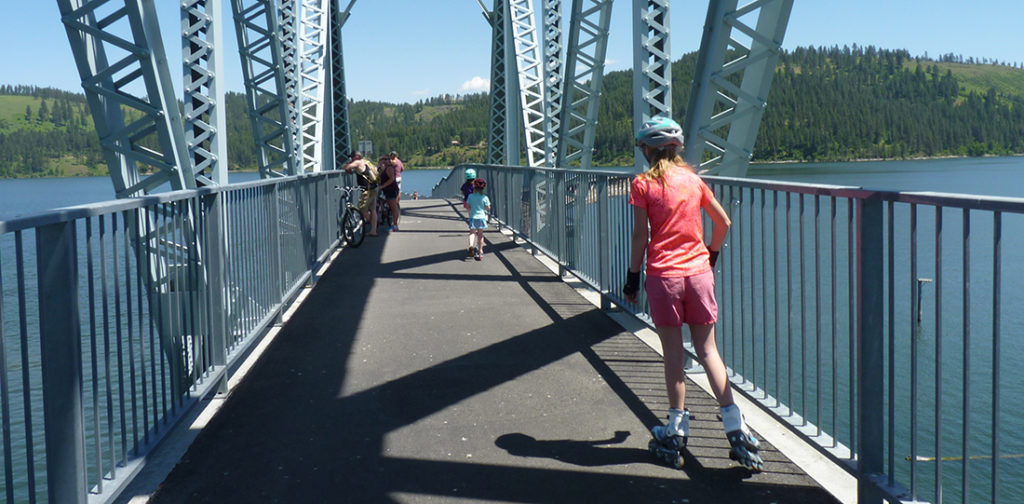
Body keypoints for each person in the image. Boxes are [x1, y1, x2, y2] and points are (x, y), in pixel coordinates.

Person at [622, 115, 763, 472]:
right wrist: (710, 255)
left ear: (649, 150)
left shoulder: (642, 185)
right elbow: (724, 223)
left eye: (642, 148)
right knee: (708, 350)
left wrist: (632, 278)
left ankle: (676, 430)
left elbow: (641, 236)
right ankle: (736, 426)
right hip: (699, 274)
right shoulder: (694, 180)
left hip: (663, 277)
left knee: (673, 353)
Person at [340, 151, 380, 236]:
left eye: (352, 157)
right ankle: (373, 230)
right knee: (372, 209)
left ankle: (370, 221)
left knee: (361, 209)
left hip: (367, 190)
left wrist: (345, 165)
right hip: (374, 187)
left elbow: (345, 167)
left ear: (357, 156)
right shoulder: (365, 161)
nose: (351, 158)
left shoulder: (357, 162)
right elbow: (351, 171)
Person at [465, 178, 490, 260]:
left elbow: (468, 206)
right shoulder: (485, 197)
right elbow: (488, 208)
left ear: (474, 187)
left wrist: (470, 212)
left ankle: (471, 246)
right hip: (481, 218)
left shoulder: (470, 196)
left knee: (472, 233)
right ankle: (480, 251)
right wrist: (484, 208)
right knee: (480, 235)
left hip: (473, 217)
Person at [378, 156, 401, 231]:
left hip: (391, 189)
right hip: (387, 190)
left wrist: (382, 186)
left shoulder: (389, 168)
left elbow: (391, 179)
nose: (383, 161)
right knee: (384, 203)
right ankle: (385, 215)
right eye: (382, 159)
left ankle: (395, 225)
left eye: (384, 159)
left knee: (393, 207)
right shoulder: (385, 168)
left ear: (388, 160)